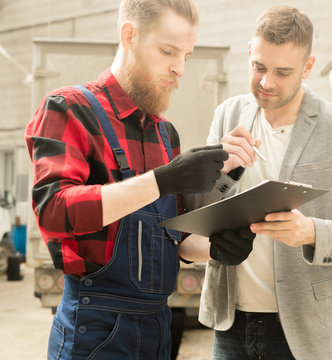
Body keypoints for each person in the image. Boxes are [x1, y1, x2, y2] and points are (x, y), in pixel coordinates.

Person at [25, 1, 255, 359]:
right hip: (94, 332)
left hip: (158, 327)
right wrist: (163, 180)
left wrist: (216, 249)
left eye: (186, 56)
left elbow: (174, 244)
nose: (179, 69)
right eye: (168, 51)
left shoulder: (166, 136)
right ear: (129, 36)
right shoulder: (67, 109)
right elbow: (54, 211)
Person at [178, 5, 332, 360]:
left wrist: (311, 232)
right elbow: (196, 216)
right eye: (258, 67)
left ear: (308, 67)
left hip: (307, 332)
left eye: (283, 72)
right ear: (249, 53)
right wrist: (220, 172)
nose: (266, 82)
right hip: (231, 323)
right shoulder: (227, 114)